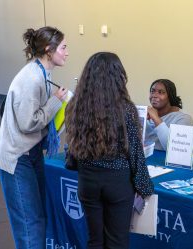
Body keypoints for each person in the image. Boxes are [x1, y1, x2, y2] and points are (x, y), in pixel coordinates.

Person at [65, 52, 154, 249]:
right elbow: (135, 152)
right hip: (118, 183)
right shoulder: (126, 109)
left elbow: (72, 143)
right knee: (117, 242)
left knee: (94, 241)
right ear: (118, 76)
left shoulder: (75, 106)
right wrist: (145, 186)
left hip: (87, 181)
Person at [0, 26, 68, 248]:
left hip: (31, 152)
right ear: (49, 49)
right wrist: (55, 101)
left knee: (37, 217)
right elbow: (28, 123)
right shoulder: (32, 78)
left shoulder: (43, 73)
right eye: (63, 47)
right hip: (18, 158)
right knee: (29, 223)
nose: (67, 52)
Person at [145, 79, 193, 150]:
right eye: (152, 91)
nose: (154, 95)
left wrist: (156, 119)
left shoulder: (184, 119)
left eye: (161, 92)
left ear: (170, 96)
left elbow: (175, 149)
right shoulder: (147, 115)